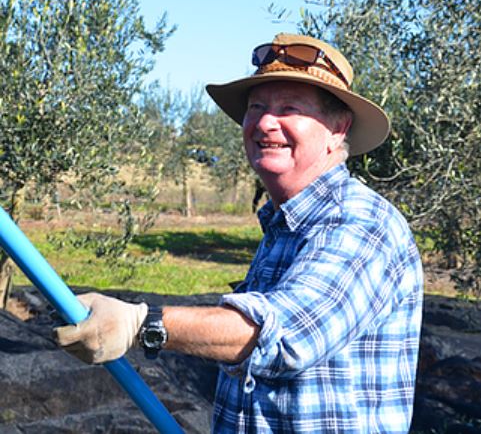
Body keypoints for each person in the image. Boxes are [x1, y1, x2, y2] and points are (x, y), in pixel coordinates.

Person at [55, 33, 423, 433]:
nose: (265, 122)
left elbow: (285, 336)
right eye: (257, 107)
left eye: (290, 108)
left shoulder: (361, 222)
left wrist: (140, 323)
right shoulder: (285, 225)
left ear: (338, 128)